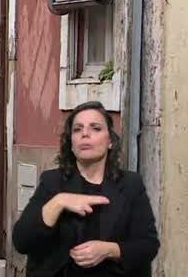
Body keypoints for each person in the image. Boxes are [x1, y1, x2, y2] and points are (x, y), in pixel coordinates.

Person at [12, 100, 159, 276]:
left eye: (95, 128)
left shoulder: (130, 184)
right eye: (77, 129)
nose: (85, 134)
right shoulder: (52, 182)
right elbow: (22, 241)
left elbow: (147, 245)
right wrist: (59, 202)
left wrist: (109, 249)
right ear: (71, 144)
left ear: (110, 141)